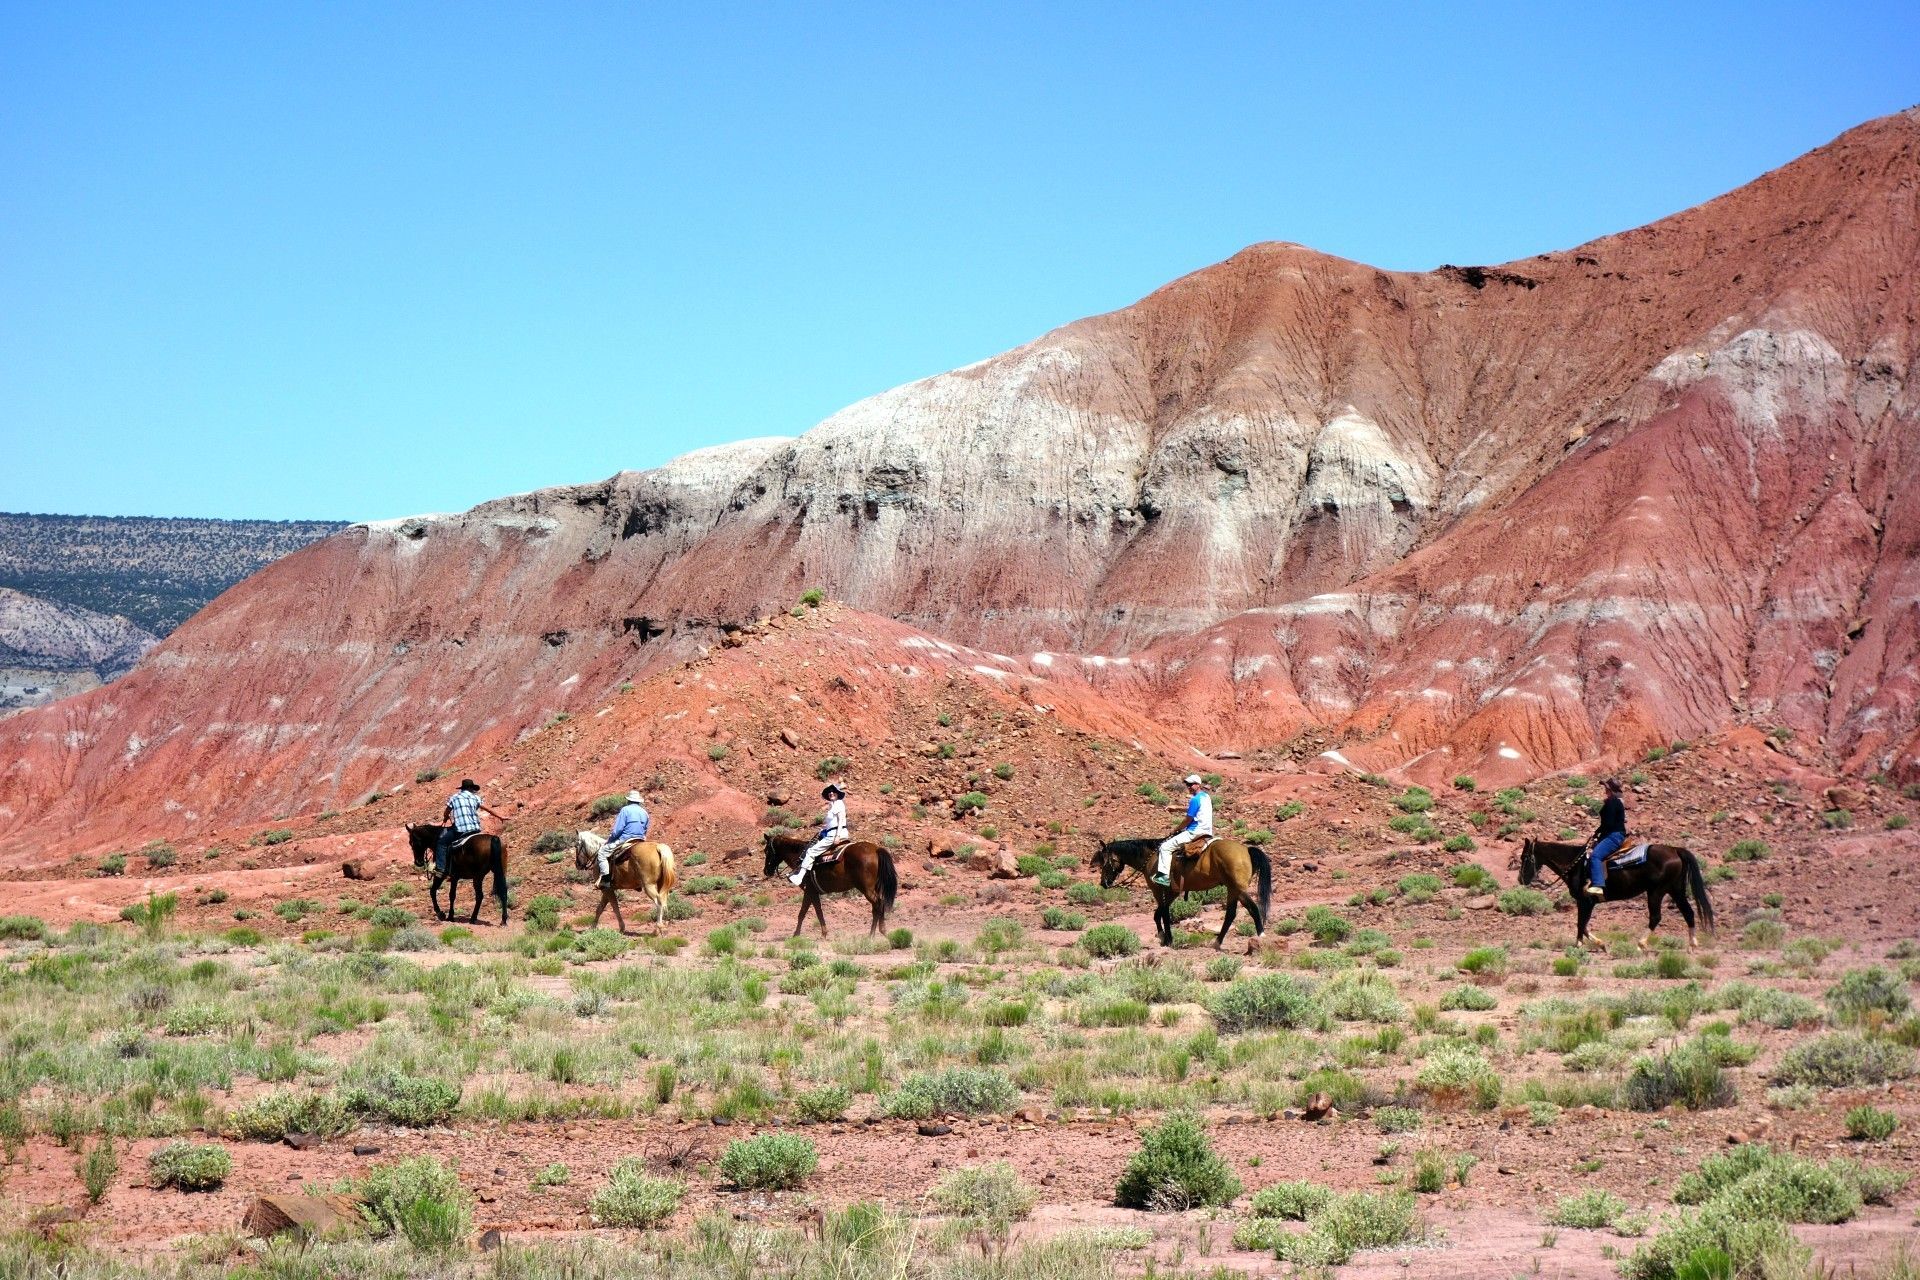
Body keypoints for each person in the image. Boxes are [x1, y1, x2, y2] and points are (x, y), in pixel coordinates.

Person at [1153, 774, 1213, 886]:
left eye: (1191, 784)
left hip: (1194, 831)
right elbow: (1194, 809)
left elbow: (1188, 819)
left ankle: (1163, 877)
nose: (1188, 787)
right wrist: (1177, 808)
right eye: (1187, 784)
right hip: (1207, 832)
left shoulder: (1195, 799)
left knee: (1165, 847)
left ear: (1198, 785)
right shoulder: (1206, 797)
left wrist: (1176, 830)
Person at [436, 779, 503, 875]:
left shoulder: (454, 797)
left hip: (460, 830)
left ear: (462, 788)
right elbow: (488, 809)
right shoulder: (475, 797)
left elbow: (447, 812)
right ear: (471, 788)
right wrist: (500, 816)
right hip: (475, 829)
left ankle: (440, 869)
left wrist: (445, 818)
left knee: (441, 843)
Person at [791, 783, 848, 885]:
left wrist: (837, 836)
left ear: (838, 794)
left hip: (835, 834)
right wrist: (823, 830)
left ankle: (799, 877)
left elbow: (841, 820)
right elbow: (831, 824)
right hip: (831, 833)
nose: (831, 793)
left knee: (811, 851)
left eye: (833, 791)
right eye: (829, 792)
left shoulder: (839, 803)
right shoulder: (833, 806)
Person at [598, 790, 651, 888]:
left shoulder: (625, 810)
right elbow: (646, 828)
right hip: (640, 839)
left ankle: (606, 881)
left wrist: (609, 840)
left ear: (629, 800)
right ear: (639, 801)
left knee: (602, 852)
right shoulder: (645, 812)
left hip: (626, 838)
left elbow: (617, 830)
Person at [1586, 778, 1628, 896]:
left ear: (1609, 789)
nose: (1604, 791)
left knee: (1595, 856)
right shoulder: (1614, 802)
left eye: (1606, 788)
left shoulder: (1612, 802)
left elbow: (1608, 824)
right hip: (1614, 834)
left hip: (1613, 835)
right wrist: (1597, 834)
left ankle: (1598, 885)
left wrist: (1598, 837)